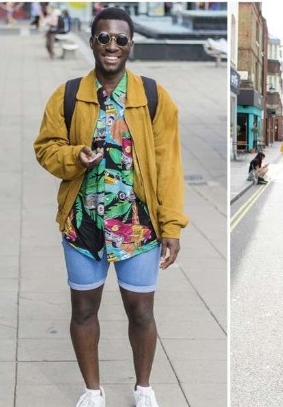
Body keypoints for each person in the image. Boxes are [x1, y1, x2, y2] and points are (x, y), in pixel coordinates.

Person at [33, 8, 187, 407]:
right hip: (82, 223)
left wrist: (171, 226)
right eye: (104, 38)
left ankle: (143, 388)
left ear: (131, 44)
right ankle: (93, 391)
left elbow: (169, 164)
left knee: (141, 312)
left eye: (120, 39)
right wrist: (73, 157)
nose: (112, 46)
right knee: (84, 307)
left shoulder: (153, 97)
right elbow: (45, 148)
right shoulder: (68, 94)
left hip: (137, 226)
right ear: (92, 42)